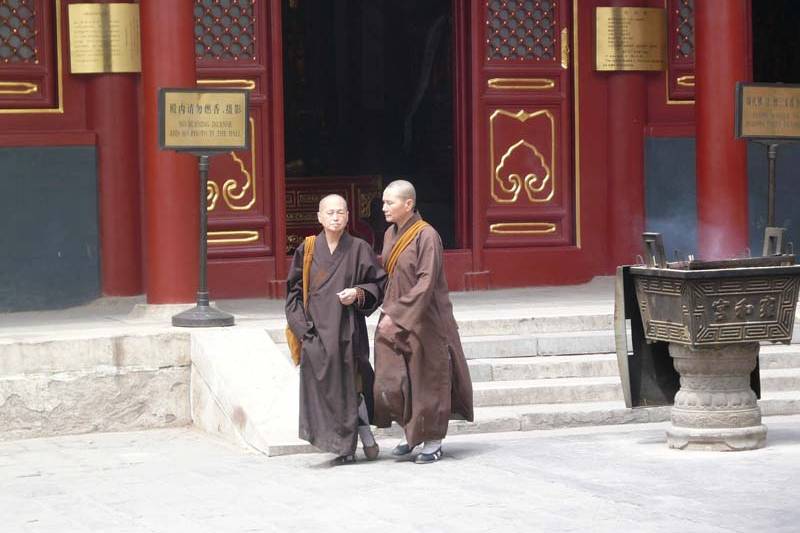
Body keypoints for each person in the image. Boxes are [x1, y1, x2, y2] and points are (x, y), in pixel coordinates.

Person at [373, 179, 474, 464]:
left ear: (408, 204)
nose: (383, 208)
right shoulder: (391, 234)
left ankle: (431, 440)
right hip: (397, 313)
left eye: (389, 202)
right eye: (383, 202)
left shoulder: (427, 235)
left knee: (427, 379)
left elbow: (426, 282)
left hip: (426, 320)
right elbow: (389, 277)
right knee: (393, 377)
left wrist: (398, 316)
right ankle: (411, 432)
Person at [285, 194, 387, 465]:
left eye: (340, 212)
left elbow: (378, 284)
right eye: (329, 212)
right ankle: (355, 439)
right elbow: (293, 295)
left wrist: (358, 293)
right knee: (324, 391)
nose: (335, 217)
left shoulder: (359, 248)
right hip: (315, 333)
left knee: (350, 387)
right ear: (319, 216)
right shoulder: (306, 250)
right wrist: (304, 332)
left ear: (347, 216)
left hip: (347, 332)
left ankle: (346, 447)